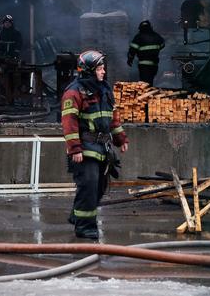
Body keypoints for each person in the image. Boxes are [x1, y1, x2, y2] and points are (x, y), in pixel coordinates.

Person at [61, 50, 128, 239]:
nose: (103, 72)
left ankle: (77, 215)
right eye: (99, 68)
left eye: (103, 68)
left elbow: (112, 120)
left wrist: (120, 138)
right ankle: (85, 227)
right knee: (88, 186)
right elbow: (69, 122)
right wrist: (75, 148)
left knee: (98, 188)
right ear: (89, 71)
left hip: (102, 148)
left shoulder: (104, 90)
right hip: (85, 148)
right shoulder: (74, 92)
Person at [127, 20, 165, 86]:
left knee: (144, 83)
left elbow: (132, 50)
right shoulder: (156, 36)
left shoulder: (138, 37)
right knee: (150, 81)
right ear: (150, 27)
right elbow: (162, 45)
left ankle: (146, 95)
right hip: (154, 64)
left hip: (143, 65)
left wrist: (130, 59)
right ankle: (150, 94)